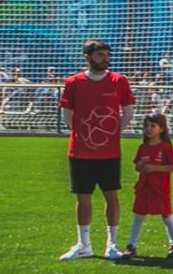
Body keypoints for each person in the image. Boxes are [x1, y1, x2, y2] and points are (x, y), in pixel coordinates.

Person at [57, 39, 136, 261]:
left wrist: (112, 134)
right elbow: (67, 114)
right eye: (100, 55)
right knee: (83, 198)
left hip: (109, 153)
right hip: (80, 152)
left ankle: (112, 244)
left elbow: (128, 111)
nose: (105, 59)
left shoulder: (118, 80)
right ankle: (84, 245)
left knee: (111, 195)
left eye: (106, 55)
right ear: (88, 57)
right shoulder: (74, 82)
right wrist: (82, 135)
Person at [125, 112, 173, 257]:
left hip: (160, 186)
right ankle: (131, 245)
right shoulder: (142, 147)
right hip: (144, 186)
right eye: (146, 126)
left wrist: (156, 168)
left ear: (161, 129)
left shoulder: (166, 147)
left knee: (166, 214)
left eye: (152, 126)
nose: (148, 129)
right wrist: (140, 165)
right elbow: (137, 165)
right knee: (138, 215)